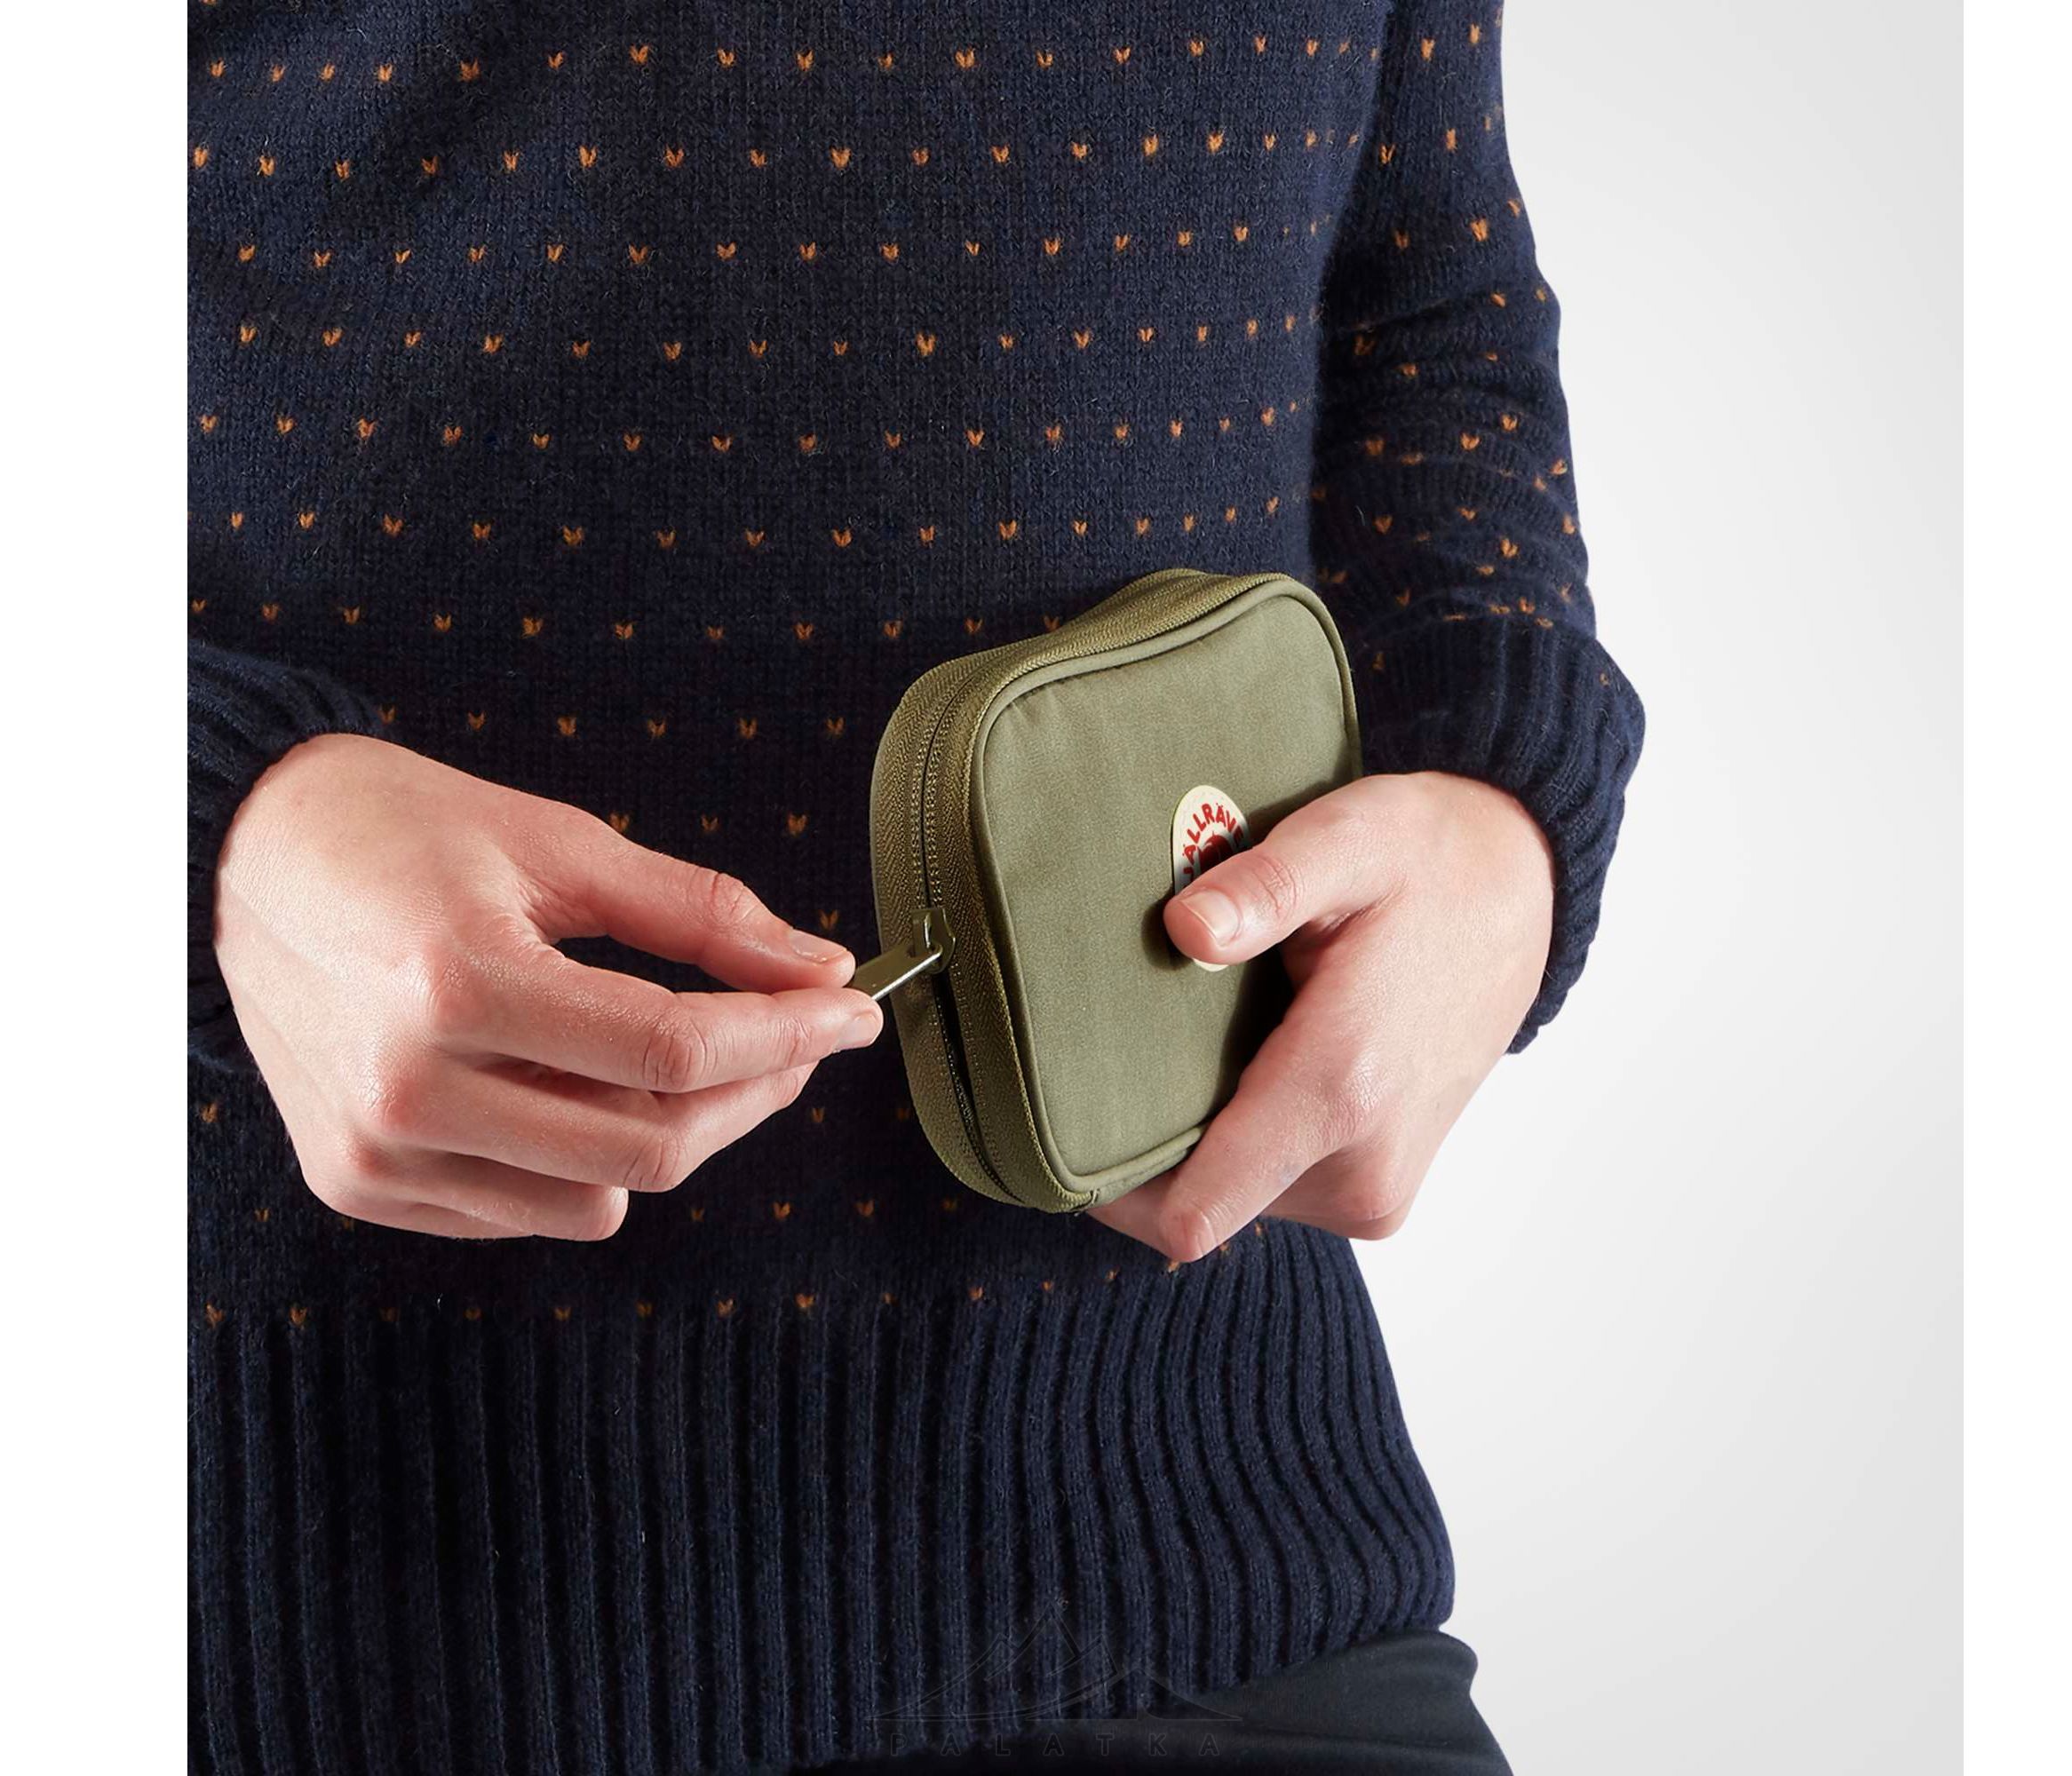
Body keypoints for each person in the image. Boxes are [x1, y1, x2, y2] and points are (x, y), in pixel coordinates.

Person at [188, 8, 1643, 1773]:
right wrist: (212, 828)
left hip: (1210, 1529)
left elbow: (1427, 288)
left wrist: (1504, 808)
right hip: (322, 1596)